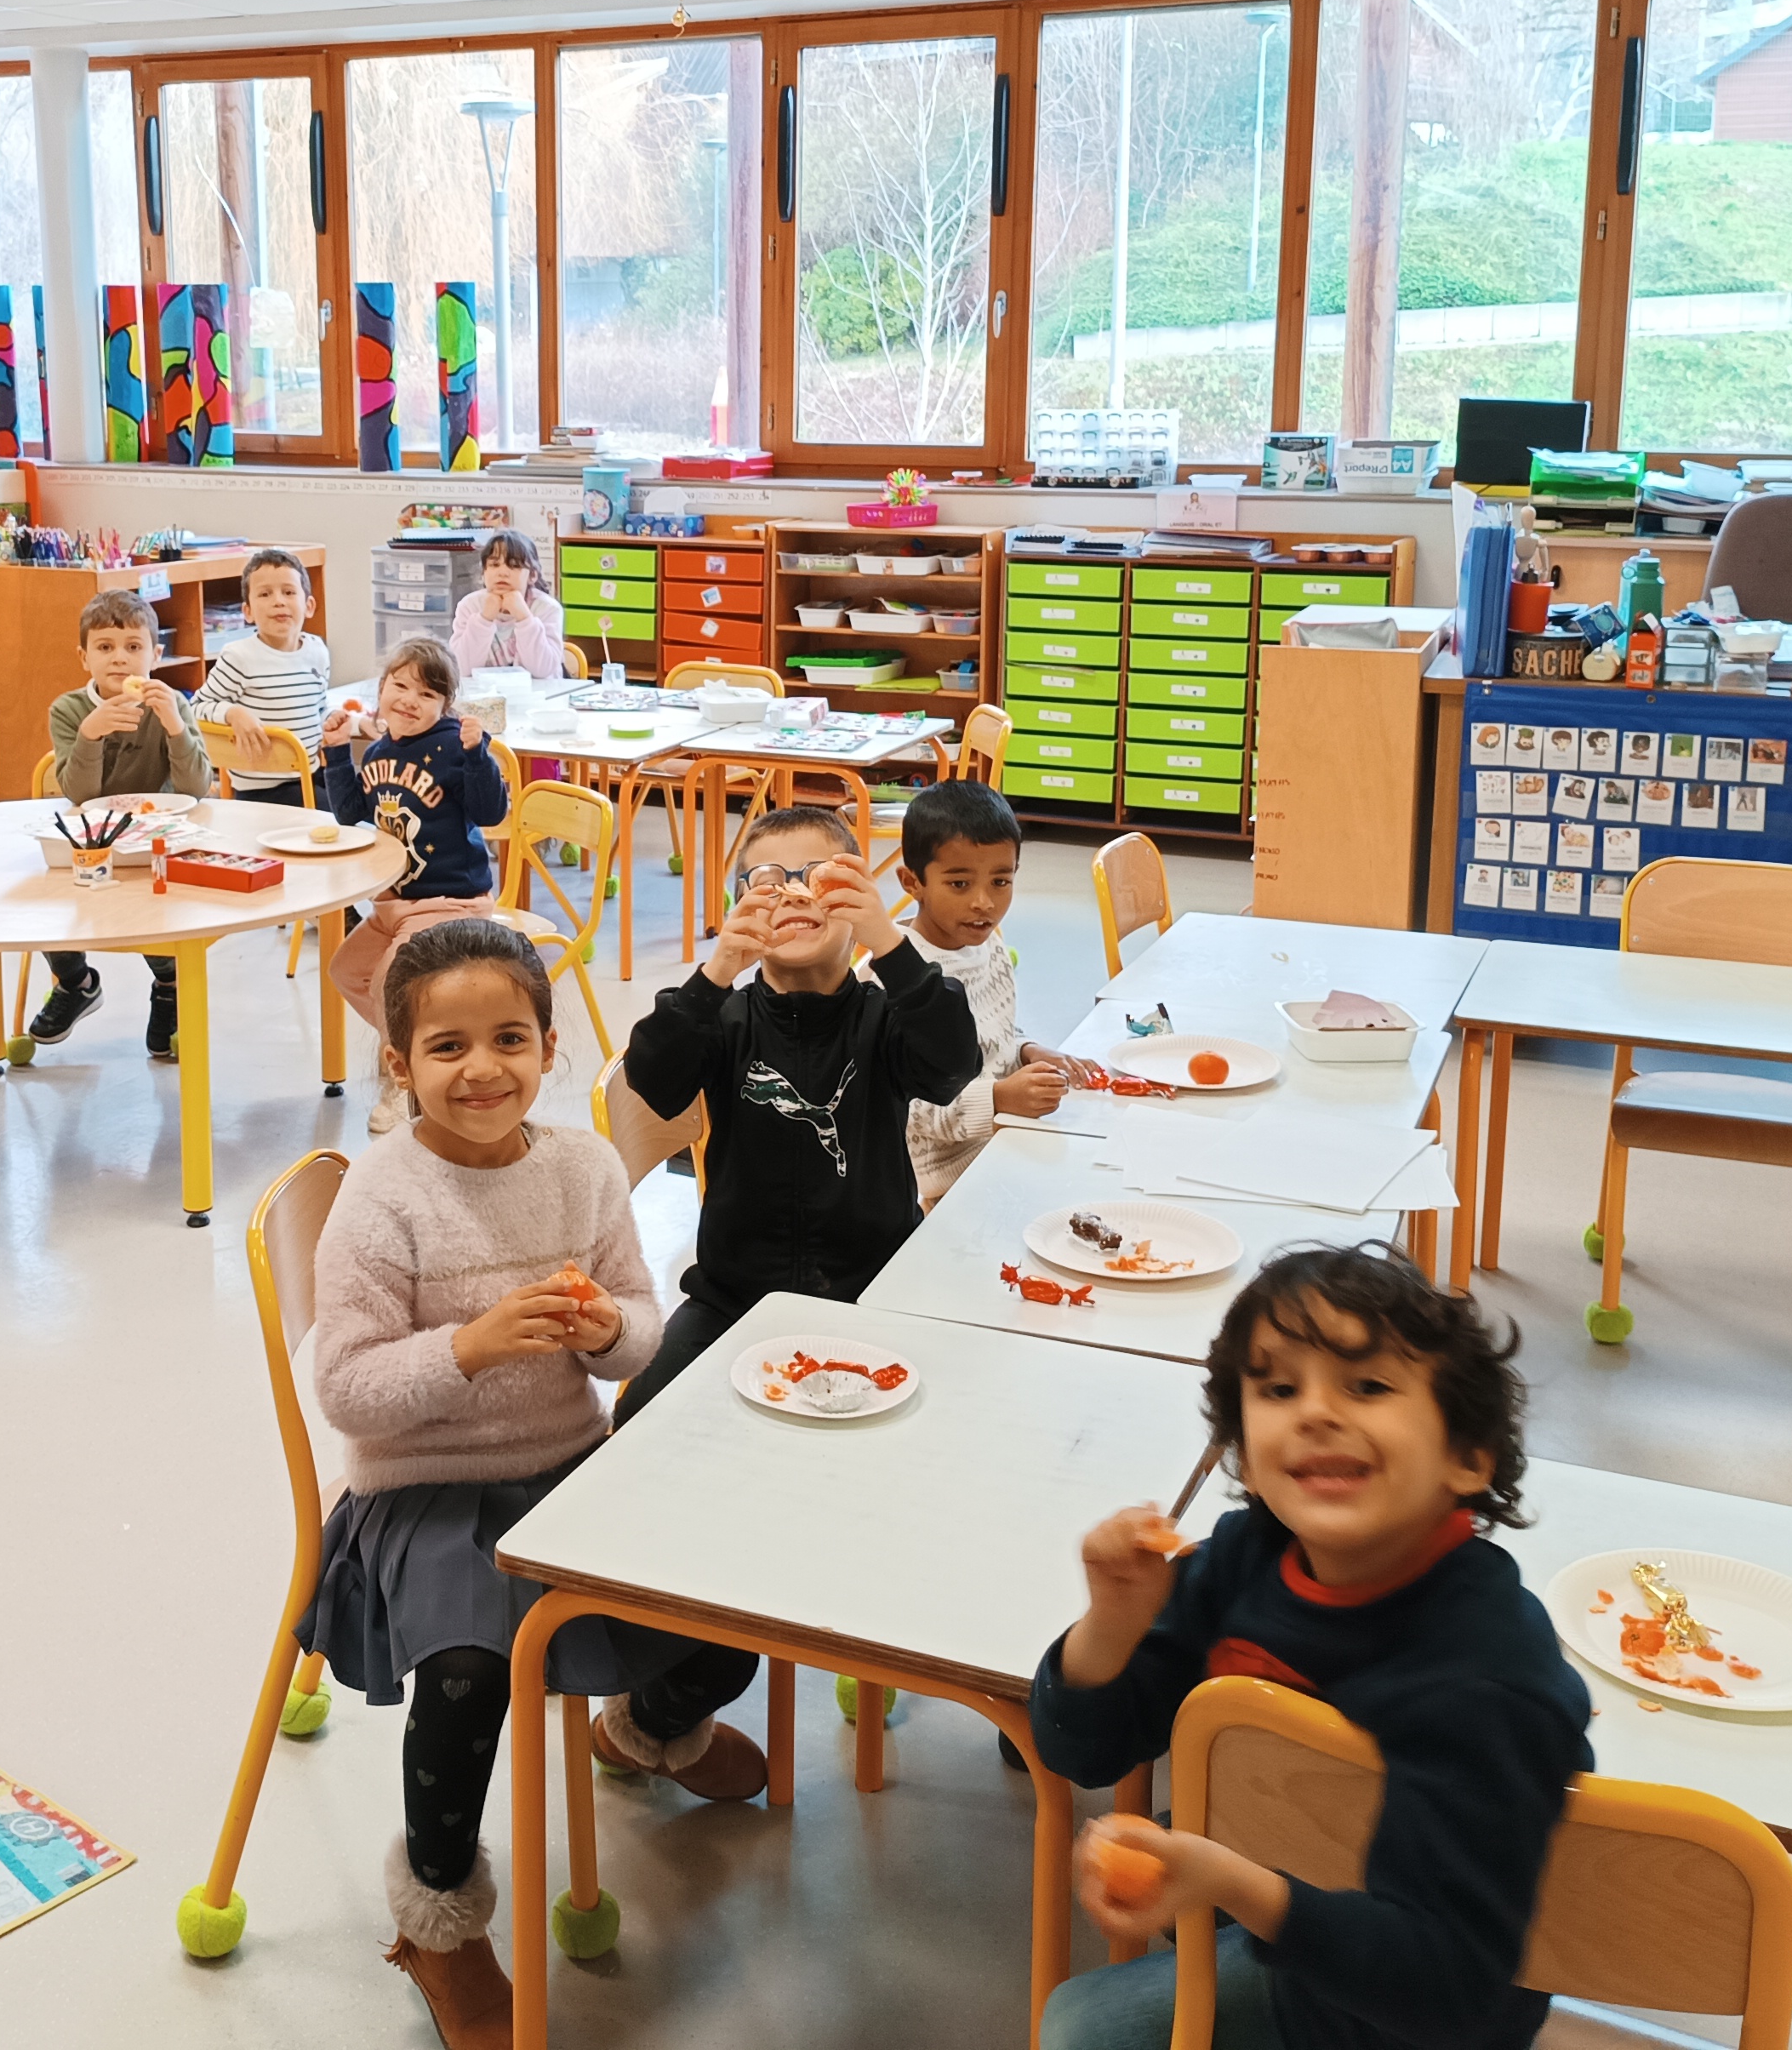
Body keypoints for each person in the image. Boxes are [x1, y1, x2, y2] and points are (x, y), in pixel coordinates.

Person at [305, 919, 765, 2050]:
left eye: (509, 1038)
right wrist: (468, 1348)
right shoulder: (383, 1197)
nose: (482, 1069)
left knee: (732, 1616)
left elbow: (639, 1329)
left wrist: (608, 1331)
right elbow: (350, 1393)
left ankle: (644, 1730)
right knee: (467, 1677)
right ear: (399, 1064)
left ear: (550, 1048)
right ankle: (439, 1920)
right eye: (447, 1047)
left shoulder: (583, 1168)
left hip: (567, 1466)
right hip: (423, 1491)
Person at [1030, 1244, 1589, 2050]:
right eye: (1279, 1389)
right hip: (1295, 1935)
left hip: (1413, 2016)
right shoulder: (1243, 1560)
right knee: (1080, 2023)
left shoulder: (1488, 1676)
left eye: (1368, 1386)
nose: (1315, 1413)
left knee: (1085, 2030)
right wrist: (1112, 1624)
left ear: (1468, 1457)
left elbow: (1454, 1987)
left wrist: (1234, 1884)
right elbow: (1081, 1752)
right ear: (1244, 1457)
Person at [613, 802, 980, 1418]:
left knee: (949, 1412)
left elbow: (951, 1065)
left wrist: (890, 945)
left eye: (819, 878)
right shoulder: (723, 1021)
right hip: (734, 1299)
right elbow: (654, 1078)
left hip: (877, 1288)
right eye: (767, 883)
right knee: (637, 1421)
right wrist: (717, 971)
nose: (793, 894)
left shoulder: (886, 1017)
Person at [322, 637, 510, 1130]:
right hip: (395, 903)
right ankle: (425, 1044)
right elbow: (350, 813)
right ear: (381, 689)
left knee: (392, 981)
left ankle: (404, 1081)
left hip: (452, 901)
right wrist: (337, 753)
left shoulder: (453, 747)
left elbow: (491, 812)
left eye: (426, 694)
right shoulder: (379, 750)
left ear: (445, 706)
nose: (409, 700)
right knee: (346, 971)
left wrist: (478, 755)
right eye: (400, 686)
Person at [31, 591, 212, 1057]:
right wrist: (90, 733)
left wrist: (175, 726)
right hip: (92, 838)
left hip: (157, 837)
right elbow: (79, 793)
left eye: (133, 647)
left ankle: (169, 985)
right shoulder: (69, 710)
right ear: (84, 657)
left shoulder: (172, 703)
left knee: (155, 901)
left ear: (156, 654)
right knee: (47, 894)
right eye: (105, 647)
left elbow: (197, 786)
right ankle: (76, 982)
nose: (120, 659)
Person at [894, 780, 1071, 1201]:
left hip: (999, 1146)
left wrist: (1025, 1050)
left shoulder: (988, 945)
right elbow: (910, 1106)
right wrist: (999, 1098)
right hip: (937, 1186)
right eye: (960, 884)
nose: (984, 903)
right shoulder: (896, 978)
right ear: (912, 882)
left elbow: (992, 1031)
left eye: (1000, 881)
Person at [197, 546, 328, 808]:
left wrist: (344, 723)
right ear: (248, 612)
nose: (278, 601)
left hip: (312, 775)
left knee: (367, 805)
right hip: (264, 790)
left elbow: (320, 710)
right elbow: (196, 708)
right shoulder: (239, 656)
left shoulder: (317, 651)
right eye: (265, 594)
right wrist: (233, 713)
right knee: (345, 820)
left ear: (309, 605)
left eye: (289, 592)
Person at [447, 528, 563, 677]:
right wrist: (484, 619)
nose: (502, 573)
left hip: (536, 691)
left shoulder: (546, 608)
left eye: (514, 566)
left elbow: (543, 671)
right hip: (485, 691)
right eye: (495, 565)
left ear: (532, 575)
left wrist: (524, 618)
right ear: (483, 573)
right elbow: (460, 669)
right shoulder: (470, 606)